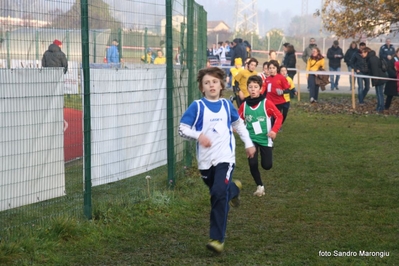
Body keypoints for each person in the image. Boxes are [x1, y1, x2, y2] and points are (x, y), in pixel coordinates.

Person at [178, 67, 256, 253]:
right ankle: (234, 189)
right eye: (207, 83)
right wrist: (198, 136)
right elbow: (182, 129)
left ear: (222, 85)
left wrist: (248, 143)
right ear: (201, 88)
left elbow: (239, 125)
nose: (211, 85)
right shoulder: (197, 106)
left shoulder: (227, 106)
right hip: (205, 163)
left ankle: (217, 239)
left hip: (225, 159)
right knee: (219, 190)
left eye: (214, 82)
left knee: (218, 193)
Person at [238, 75, 282, 197]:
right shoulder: (244, 105)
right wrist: (234, 128)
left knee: (267, 165)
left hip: (265, 138)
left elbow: (279, 116)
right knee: (252, 163)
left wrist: (274, 130)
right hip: (251, 140)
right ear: (247, 88)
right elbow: (238, 120)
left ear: (260, 89)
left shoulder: (266, 104)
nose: (252, 89)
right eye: (250, 87)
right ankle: (260, 186)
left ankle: (268, 150)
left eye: (255, 87)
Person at [363, 47, 386, 112]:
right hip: (378, 77)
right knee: (379, 93)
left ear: (366, 52)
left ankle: (381, 107)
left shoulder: (372, 59)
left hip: (379, 78)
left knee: (379, 93)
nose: (362, 54)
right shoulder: (372, 58)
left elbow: (374, 69)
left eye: (363, 53)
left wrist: (375, 79)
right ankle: (379, 106)